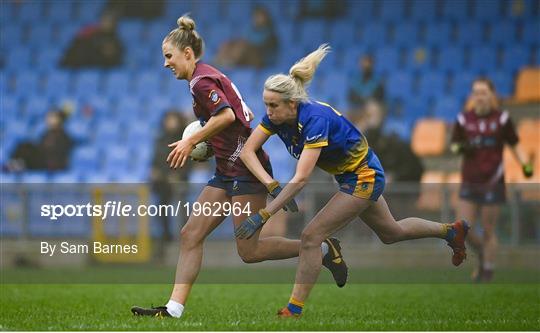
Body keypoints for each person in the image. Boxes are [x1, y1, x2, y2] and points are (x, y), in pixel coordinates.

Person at [130, 16, 347, 319]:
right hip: (225, 169)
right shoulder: (203, 78)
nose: (166, 63)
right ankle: (173, 309)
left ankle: (323, 249)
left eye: (169, 56)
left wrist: (190, 142)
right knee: (190, 234)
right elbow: (223, 122)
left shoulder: (201, 81)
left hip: (245, 168)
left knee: (249, 252)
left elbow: (227, 117)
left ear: (188, 53)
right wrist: (207, 142)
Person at [235, 45, 469, 318]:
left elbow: (301, 179)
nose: (268, 111)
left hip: (364, 176)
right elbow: (248, 151)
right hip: (349, 177)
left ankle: (293, 309)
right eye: (266, 104)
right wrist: (271, 184)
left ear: (292, 104)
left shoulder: (315, 121)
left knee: (311, 236)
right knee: (391, 233)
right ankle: (451, 231)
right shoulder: (278, 118)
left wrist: (264, 214)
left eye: (273, 105)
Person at [450, 77, 533, 283]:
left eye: (484, 92)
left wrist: (525, 165)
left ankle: (487, 271)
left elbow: (514, 144)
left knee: (488, 230)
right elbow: (453, 146)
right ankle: (482, 255)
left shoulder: (502, 119)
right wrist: (462, 148)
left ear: (492, 95)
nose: (480, 96)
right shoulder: (463, 119)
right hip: (469, 179)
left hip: (493, 180)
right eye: (476, 92)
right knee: (462, 228)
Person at [150, 111, 191, 242]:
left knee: (181, 206)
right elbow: (155, 161)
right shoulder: (160, 140)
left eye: (173, 119)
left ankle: (186, 235)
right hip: (162, 181)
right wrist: (155, 172)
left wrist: (178, 175)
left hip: (179, 180)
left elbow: (189, 162)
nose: (170, 123)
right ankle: (165, 236)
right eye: (168, 120)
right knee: (161, 207)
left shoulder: (185, 139)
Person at [214, 5, 278, 68]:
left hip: (259, 59)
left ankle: (230, 62)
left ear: (265, 18)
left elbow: (265, 50)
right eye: (255, 16)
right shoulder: (251, 29)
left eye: (259, 17)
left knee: (242, 45)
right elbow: (244, 39)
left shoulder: (270, 32)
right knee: (228, 43)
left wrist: (247, 44)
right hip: (245, 57)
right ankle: (219, 61)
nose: (256, 19)